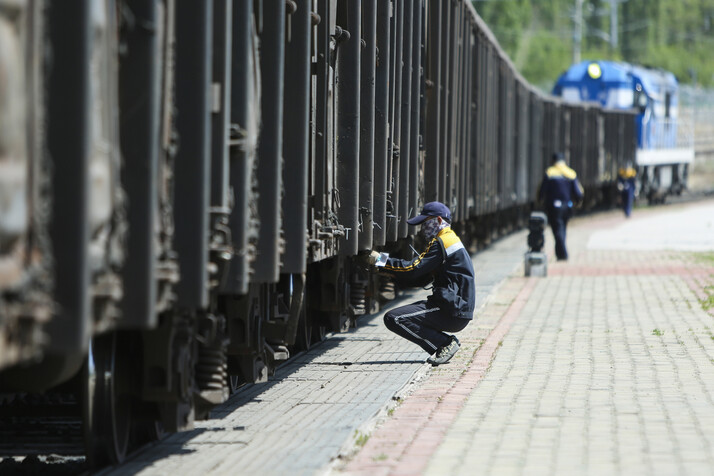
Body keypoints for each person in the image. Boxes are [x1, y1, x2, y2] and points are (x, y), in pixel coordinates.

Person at [364, 201, 475, 366]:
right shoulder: (449, 239)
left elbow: (412, 268)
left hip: (452, 310)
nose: (423, 228)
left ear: (438, 220)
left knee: (394, 318)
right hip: (455, 306)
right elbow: (420, 277)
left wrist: (379, 259)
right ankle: (442, 343)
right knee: (401, 315)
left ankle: (444, 344)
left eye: (425, 222)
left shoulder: (442, 242)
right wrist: (389, 273)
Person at [538, 152, 584, 261]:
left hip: (553, 207)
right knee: (562, 228)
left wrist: (540, 201)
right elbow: (578, 193)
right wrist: (577, 203)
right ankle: (560, 253)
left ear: (553, 161)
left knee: (557, 229)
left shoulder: (549, 173)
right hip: (567, 206)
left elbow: (542, 190)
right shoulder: (571, 173)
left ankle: (562, 254)